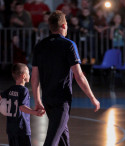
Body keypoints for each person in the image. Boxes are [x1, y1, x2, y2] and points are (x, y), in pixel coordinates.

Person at [31, 10, 100, 146]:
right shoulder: (68, 45)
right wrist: (92, 97)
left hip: (47, 99)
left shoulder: (40, 46)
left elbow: (34, 78)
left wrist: (38, 100)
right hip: (61, 101)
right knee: (52, 141)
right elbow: (79, 76)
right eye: (67, 24)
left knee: (63, 136)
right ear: (63, 26)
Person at [0, 63, 45, 146]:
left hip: (11, 129)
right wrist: (35, 113)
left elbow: (1, 96)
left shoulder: (10, 89)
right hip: (22, 128)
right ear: (23, 76)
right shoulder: (24, 90)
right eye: (28, 72)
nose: (29, 74)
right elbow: (22, 107)